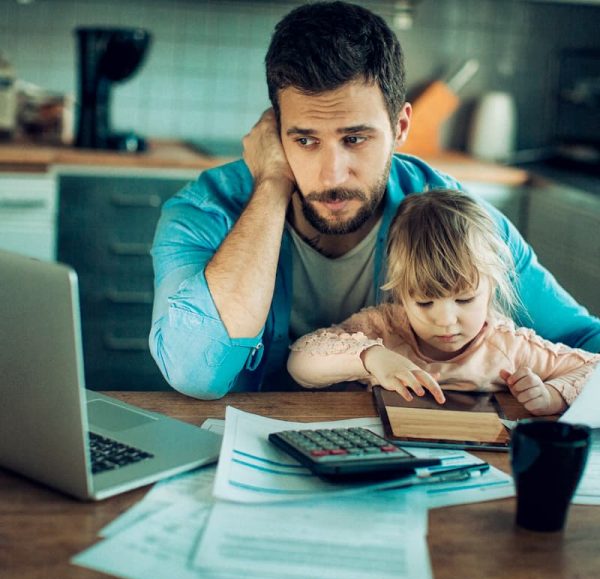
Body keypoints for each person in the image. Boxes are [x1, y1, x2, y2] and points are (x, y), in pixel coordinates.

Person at [149, 1, 600, 400]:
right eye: (304, 140)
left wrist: (556, 392)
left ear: (400, 127)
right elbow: (196, 374)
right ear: (274, 131)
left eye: (355, 138)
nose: (332, 174)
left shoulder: (456, 222)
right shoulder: (204, 212)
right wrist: (271, 186)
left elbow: (586, 343)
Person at [287, 190, 600, 415]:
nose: (446, 321)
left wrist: (553, 396)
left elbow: (594, 369)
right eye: (425, 303)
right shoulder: (385, 328)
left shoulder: (509, 347)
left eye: (464, 299)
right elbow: (300, 363)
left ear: (491, 287)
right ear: (401, 293)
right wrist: (371, 357)